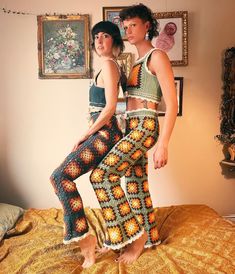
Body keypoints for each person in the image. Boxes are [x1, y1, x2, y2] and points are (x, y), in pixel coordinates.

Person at [90, 3, 178, 264]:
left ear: (147, 26)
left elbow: (171, 104)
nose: (128, 31)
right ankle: (150, 237)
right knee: (136, 184)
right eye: (125, 27)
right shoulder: (135, 61)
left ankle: (127, 237)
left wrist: (163, 144)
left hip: (146, 125)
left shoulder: (157, 56)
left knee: (102, 175)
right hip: (131, 125)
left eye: (133, 25)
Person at [50, 21, 126, 268]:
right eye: (96, 37)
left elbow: (111, 108)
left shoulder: (109, 64)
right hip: (101, 133)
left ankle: (86, 241)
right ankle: (116, 238)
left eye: (105, 36)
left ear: (114, 40)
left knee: (60, 177)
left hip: (106, 134)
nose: (99, 41)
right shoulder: (105, 66)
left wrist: (86, 135)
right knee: (101, 182)